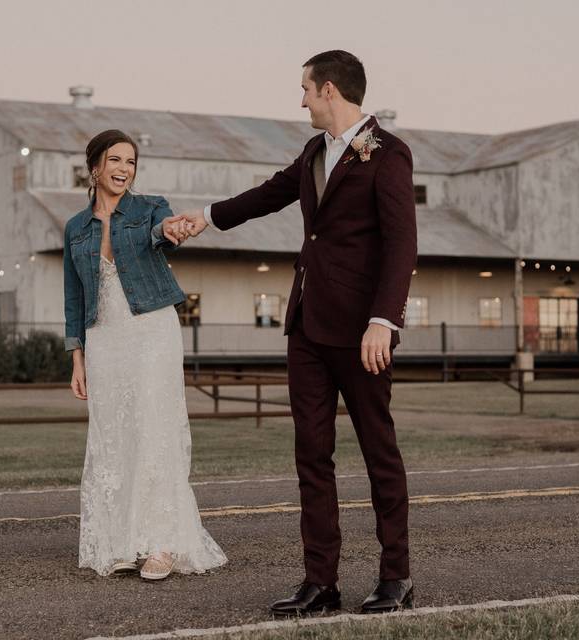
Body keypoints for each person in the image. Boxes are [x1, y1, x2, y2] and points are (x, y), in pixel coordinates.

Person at [166, 50, 416, 615]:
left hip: (362, 333)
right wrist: (204, 215)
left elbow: (403, 243)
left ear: (329, 90)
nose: (300, 99)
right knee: (312, 454)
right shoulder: (312, 152)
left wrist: (385, 319)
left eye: (304, 89)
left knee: (379, 450)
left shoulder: (389, 153)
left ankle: (395, 576)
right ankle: (320, 581)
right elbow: (268, 194)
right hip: (306, 325)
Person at [63, 129, 227, 580]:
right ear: (94, 167)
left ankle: (162, 543)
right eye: (115, 160)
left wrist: (172, 230)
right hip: (104, 338)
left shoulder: (151, 207)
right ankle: (122, 541)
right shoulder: (76, 228)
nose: (123, 170)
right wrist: (76, 356)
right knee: (114, 434)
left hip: (152, 330)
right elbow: (74, 297)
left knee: (155, 430)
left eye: (131, 162)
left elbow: (163, 233)